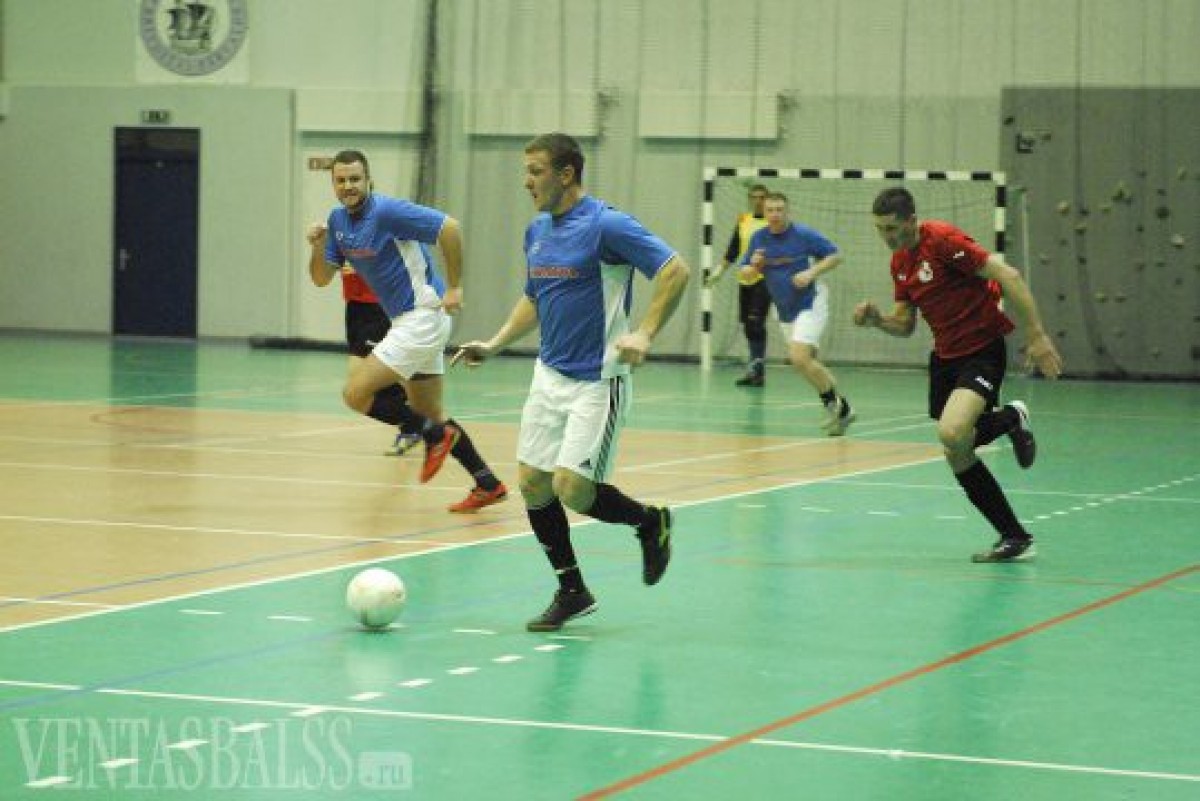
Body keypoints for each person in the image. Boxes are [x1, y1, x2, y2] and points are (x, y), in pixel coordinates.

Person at [453, 132, 690, 632]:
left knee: (573, 489)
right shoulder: (537, 230)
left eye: (536, 171)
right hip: (549, 375)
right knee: (532, 483)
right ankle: (572, 591)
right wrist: (495, 343)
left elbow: (675, 270)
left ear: (566, 174)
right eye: (526, 171)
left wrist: (645, 332)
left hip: (598, 379)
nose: (526, 181)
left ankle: (650, 522)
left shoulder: (606, 225)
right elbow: (535, 297)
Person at [854, 186, 1063, 562]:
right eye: (880, 229)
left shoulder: (943, 241)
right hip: (945, 357)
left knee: (952, 432)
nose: (886, 237)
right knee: (957, 452)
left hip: (982, 349)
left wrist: (1036, 336)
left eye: (892, 228)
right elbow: (904, 325)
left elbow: (1009, 275)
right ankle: (1015, 537)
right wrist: (877, 321)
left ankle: (1012, 417)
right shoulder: (899, 263)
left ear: (911, 221)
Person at [306, 149, 507, 514]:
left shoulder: (387, 211)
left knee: (355, 394)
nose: (348, 186)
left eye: (355, 179)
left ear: (368, 180)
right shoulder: (337, 221)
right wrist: (318, 246)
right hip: (409, 321)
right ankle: (487, 483)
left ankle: (434, 434)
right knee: (428, 410)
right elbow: (321, 278)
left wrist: (455, 286)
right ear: (333, 184)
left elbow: (449, 228)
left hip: (422, 317)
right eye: (341, 180)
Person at [740, 191, 855, 435]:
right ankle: (840, 408)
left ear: (787, 211)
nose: (775, 215)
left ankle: (840, 407)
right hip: (784, 309)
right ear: (764, 212)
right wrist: (754, 267)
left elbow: (835, 256)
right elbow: (746, 273)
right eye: (770, 210)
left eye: (779, 210)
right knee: (805, 363)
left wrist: (811, 273)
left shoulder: (803, 234)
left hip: (810, 302)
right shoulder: (759, 239)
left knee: (799, 357)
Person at [335, 264, 422, 456]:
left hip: (380, 305)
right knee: (365, 387)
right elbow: (321, 277)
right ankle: (414, 424)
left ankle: (422, 424)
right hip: (355, 306)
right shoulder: (337, 242)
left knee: (359, 387)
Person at [705, 184, 771, 386]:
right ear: (749, 199)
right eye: (754, 197)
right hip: (745, 279)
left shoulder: (773, 222)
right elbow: (733, 250)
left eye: (762, 197)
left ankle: (758, 370)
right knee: (748, 325)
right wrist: (718, 272)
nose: (758, 201)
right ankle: (753, 370)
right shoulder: (743, 220)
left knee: (755, 322)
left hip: (765, 279)